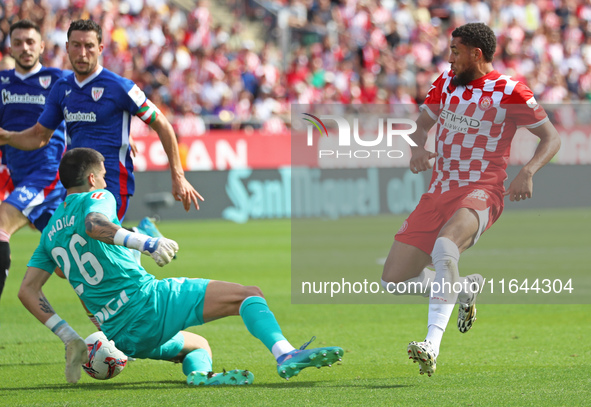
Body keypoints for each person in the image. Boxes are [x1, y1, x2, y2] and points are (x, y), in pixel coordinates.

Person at [18, 147, 344, 385]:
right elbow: (93, 224)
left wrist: (70, 337)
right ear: (92, 178)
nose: (105, 181)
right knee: (249, 295)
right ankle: (285, 353)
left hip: (119, 334)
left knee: (198, 346)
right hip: (147, 304)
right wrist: (148, 244)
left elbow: (28, 291)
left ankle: (200, 376)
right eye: (103, 176)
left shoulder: (49, 234)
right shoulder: (95, 199)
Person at [380, 23, 561, 377]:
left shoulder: (508, 90)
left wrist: (528, 172)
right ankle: (463, 290)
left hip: (483, 188)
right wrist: (418, 150)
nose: (450, 57)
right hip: (438, 192)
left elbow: (551, 138)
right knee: (393, 280)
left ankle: (431, 344)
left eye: (456, 51)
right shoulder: (446, 82)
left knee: (446, 248)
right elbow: (419, 127)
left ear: (476, 54)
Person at [0, 19, 203, 221]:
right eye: (76, 46)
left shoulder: (120, 87)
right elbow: (39, 136)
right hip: (77, 186)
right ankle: (138, 236)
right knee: (60, 245)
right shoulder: (61, 88)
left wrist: (178, 176)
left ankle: (145, 242)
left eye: (89, 46)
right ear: (67, 47)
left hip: (111, 183)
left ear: (100, 49)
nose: (82, 53)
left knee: (93, 228)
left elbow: (163, 125)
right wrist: (7, 137)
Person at [0, 20, 68, 302]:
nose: (25, 48)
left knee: (1, 223)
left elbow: (94, 105)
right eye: (19, 43)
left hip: (48, 172)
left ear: (42, 46)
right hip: (18, 175)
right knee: (68, 263)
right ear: (11, 48)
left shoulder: (58, 80)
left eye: (31, 42)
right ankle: (134, 238)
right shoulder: (2, 84)